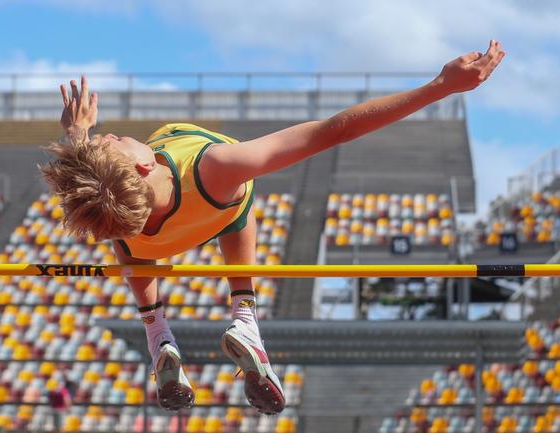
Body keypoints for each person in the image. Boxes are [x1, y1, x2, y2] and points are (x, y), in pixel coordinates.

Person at [39, 40, 505, 414]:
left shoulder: (113, 202)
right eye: (118, 142)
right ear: (141, 166)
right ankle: (245, 316)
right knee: (240, 200)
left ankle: (156, 330)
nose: (114, 135)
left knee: (113, 224)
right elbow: (335, 130)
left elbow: (87, 178)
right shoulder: (214, 166)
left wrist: (78, 136)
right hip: (213, 206)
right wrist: (440, 86)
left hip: (148, 239)